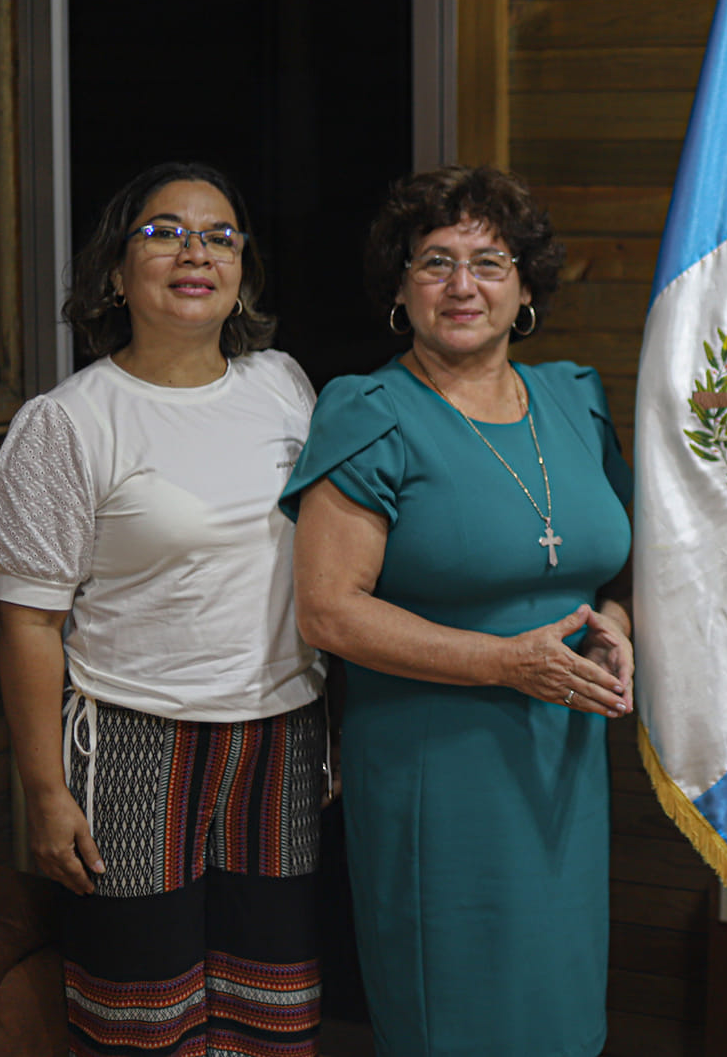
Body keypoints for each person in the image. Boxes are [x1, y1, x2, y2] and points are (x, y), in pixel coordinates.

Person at [281, 164, 632, 1057]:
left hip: (563, 763)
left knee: (558, 1016)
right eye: (435, 262)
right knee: (460, 1018)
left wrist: (617, 627)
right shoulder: (369, 412)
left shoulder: (576, 398)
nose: (463, 285)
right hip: (435, 767)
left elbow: (618, 564)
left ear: (526, 288)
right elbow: (328, 612)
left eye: (489, 262)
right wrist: (504, 661)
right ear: (400, 290)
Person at [0, 162, 325, 1056]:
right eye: (164, 232)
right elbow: (29, 623)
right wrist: (44, 791)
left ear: (242, 269)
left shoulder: (284, 386)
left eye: (219, 235)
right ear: (114, 272)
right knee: (142, 1016)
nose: (194, 252)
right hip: (135, 739)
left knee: (271, 1008)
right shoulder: (69, 421)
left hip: (280, 735)